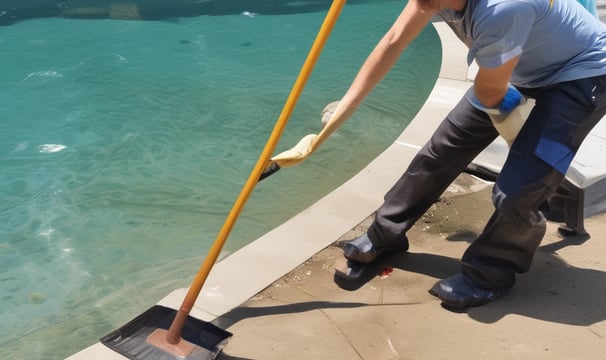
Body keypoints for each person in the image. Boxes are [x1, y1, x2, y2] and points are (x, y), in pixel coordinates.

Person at [308, 0, 606, 310]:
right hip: (519, 67)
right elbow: (394, 40)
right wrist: (346, 107)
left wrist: (525, 150)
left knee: (519, 189)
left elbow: (491, 92)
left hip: (582, 75)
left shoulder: (503, 8)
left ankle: (490, 273)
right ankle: (385, 234)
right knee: (440, 152)